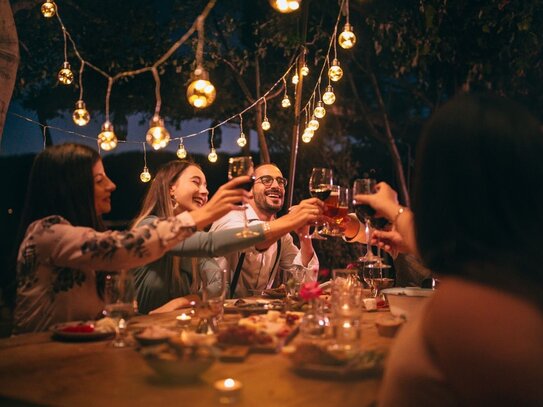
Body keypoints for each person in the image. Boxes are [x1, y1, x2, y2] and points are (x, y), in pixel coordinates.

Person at [355, 93, 543, 405]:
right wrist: (404, 230)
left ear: (439, 189)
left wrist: (395, 210)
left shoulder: (476, 307)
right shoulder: (507, 276)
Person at [13, 143, 251, 333]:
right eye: (99, 180)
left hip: (77, 356)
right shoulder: (46, 232)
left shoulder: (87, 235)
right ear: (69, 187)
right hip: (38, 359)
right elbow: (123, 249)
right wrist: (205, 214)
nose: (113, 185)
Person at [131, 160, 322, 314]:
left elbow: (218, 286)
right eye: (196, 183)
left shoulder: (195, 237)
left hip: (174, 328)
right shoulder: (148, 226)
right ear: (171, 188)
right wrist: (293, 219)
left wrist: (183, 302)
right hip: (138, 332)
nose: (205, 191)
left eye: (205, 185)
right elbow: (212, 243)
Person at [210, 163, 322, 297]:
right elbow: (255, 239)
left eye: (280, 182)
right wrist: (293, 219)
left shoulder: (282, 236)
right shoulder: (229, 217)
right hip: (219, 312)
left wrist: (304, 237)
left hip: (258, 315)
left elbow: (305, 284)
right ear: (249, 190)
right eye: (266, 180)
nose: (276, 186)